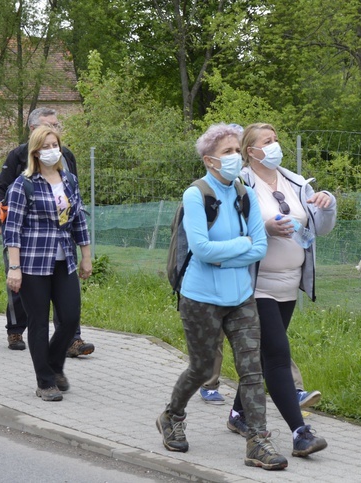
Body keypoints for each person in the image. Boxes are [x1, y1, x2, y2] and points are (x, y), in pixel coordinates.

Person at [156, 123, 288, 470]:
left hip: (241, 296)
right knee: (201, 368)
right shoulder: (195, 194)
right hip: (201, 298)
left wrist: (227, 252)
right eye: (228, 152)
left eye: (236, 151)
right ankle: (172, 415)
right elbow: (200, 249)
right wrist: (239, 247)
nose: (234, 157)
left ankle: (258, 441)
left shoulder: (244, 193)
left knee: (252, 369)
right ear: (210, 160)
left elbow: (259, 246)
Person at [225, 122, 335, 458]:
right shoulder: (240, 183)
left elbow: (321, 229)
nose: (274, 146)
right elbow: (230, 227)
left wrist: (327, 205)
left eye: (276, 140)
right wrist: (266, 228)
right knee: (277, 355)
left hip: (289, 283)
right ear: (250, 151)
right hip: (255, 285)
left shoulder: (296, 182)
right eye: (267, 141)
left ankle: (238, 413)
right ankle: (300, 433)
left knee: (261, 355)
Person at [0, 107, 95, 357]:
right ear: (33, 129)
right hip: (28, 242)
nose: (55, 130)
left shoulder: (66, 156)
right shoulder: (17, 156)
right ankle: (15, 329)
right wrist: (0, 223)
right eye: (49, 125)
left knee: (67, 302)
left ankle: (72, 339)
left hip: (62, 239)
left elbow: (74, 204)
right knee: (20, 291)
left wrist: (85, 251)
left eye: (57, 126)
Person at [3, 125, 92, 401]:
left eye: (55, 145)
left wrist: (86, 256)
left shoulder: (70, 181)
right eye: (46, 146)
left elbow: (78, 219)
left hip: (64, 259)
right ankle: (45, 381)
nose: (52, 151)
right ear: (35, 152)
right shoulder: (23, 184)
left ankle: (54, 365)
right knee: (39, 323)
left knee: (69, 317)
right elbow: (12, 229)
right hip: (33, 263)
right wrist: (14, 268)